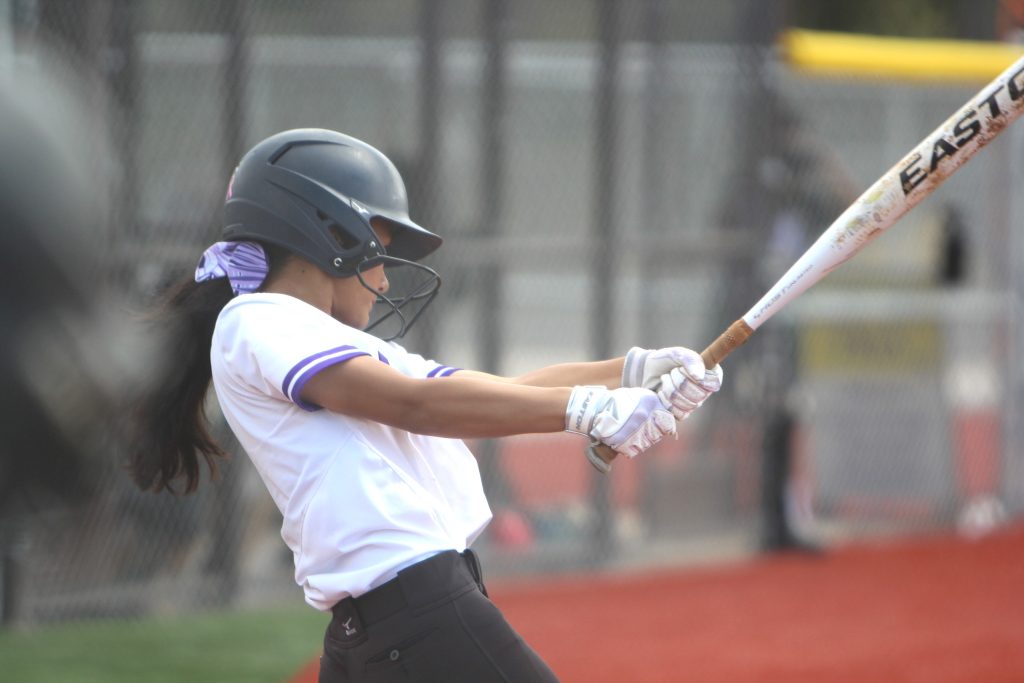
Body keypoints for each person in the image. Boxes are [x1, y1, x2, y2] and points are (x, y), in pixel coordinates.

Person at [126, 128, 723, 682]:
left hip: (389, 623)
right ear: (326, 234)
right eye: (377, 252)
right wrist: (585, 409)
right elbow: (419, 403)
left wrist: (631, 373)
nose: (384, 281)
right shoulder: (258, 319)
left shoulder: (322, 337)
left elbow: (493, 390)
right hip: (416, 612)